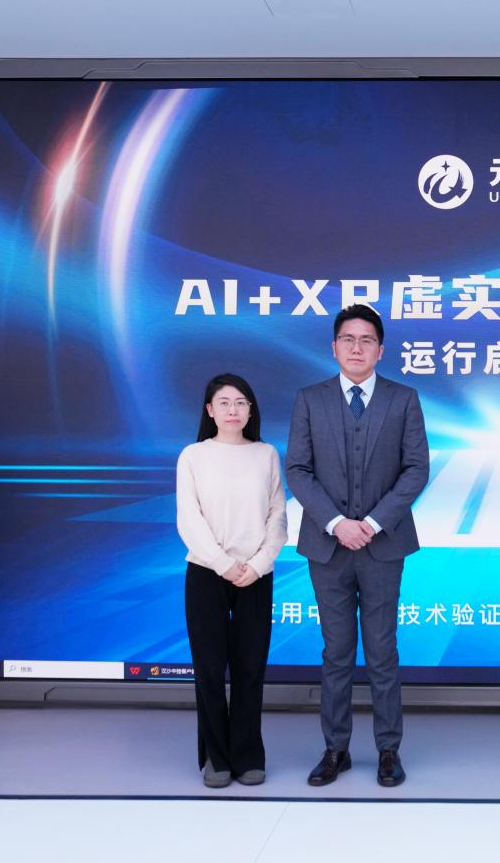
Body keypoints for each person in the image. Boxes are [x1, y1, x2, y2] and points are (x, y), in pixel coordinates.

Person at [286, 303, 429, 788]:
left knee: (383, 651)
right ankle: (336, 749)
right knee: (336, 652)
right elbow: (297, 470)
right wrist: (335, 523)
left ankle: (389, 750)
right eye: (348, 339)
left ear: (380, 350)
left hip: (382, 545)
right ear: (334, 347)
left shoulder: (403, 399)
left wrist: (369, 522)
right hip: (327, 547)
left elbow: (416, 469)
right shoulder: (310, 399)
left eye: (367, 340)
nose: (356, 348)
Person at [176, 373, 287, 789]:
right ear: (210, 410)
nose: (233, 410)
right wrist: (222, 564)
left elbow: (278, 516)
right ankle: (216, 758)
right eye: (224, 403)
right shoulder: (193, 456)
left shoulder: (266, 454)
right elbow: (189, 519)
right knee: (208, 668)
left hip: (256, 574)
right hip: (207, 572)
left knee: (249, 668)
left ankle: (247, 755)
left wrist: (257, 564)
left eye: (241, 402)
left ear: (250, 409)